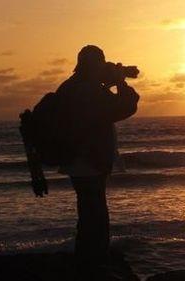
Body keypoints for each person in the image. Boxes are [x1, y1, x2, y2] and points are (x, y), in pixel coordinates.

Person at [56, 45, 140, 280]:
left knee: (88, 215)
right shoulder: (89, 90)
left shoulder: (71, 86)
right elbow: (125, 106)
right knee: (96, 218)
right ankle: (94, 268)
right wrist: (120, 81)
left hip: (77, 160)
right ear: (95, 65)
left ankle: (87, 264)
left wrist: (109, 81)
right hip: (89, 161)